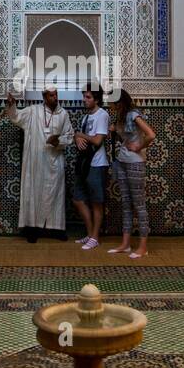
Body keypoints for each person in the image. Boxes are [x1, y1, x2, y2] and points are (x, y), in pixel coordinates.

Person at [5, 88, 73, 242]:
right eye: (51, 95)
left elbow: (69, 135)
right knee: (33, 194)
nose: (55, 97)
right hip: (35, 162)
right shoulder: (33, 111)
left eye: (56, 94)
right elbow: (16, 117)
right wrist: (12, 105)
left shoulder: (63, 114)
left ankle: (57, 230)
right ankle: (32, 230)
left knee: (56, 196)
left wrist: (59, 141)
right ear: (44, 96)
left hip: (55, 161)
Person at [108, 90, 155, 259]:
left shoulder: (134, 115)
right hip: (122, 162)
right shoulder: (121, 117)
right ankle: (125, 244)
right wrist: (114, 130)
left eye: (112, 104)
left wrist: (139, 147)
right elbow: (125, 137)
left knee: (139, 205)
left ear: (119, 103)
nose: (110, 107)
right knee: (126, 204)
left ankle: (143, 247)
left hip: (135, 163)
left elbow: (151, 134)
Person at [72, 86, 110, 251]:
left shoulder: (102, 115)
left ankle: (95, 237)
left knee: (96, 202)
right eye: (84, 97)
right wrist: (76, 137)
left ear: (96, 99)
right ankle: (90, 234)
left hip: (97, 164)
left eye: (88, 97)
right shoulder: (85, 118)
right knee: (77, 198)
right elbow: (83, 140)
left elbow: (97, 141)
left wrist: (79, 135)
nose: (84, 100)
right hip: (84, 163)